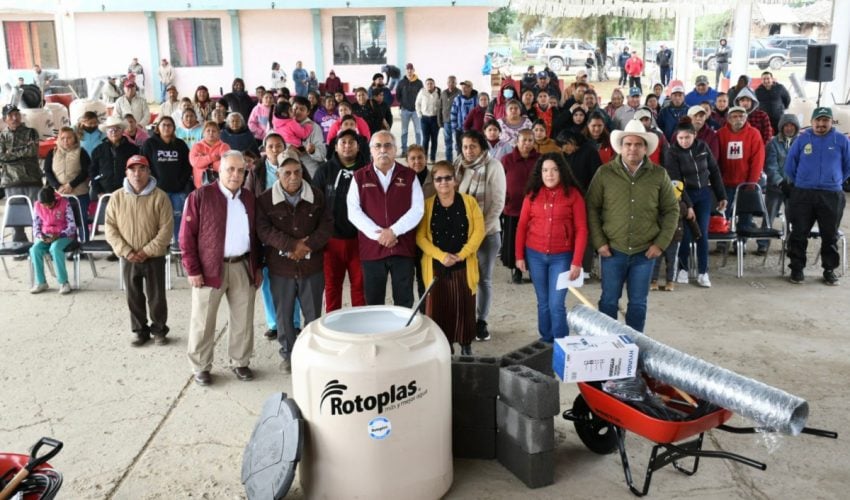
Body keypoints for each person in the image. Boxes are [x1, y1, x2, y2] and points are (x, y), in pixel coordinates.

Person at [586, 119, 679, 332]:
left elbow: (672, 210)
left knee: (638, 303)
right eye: (628, 144)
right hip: (612, 250)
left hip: (644, 252)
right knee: (608, 301)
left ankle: (633, 349)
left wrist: (660, 244)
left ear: (645, 148)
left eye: (638, 144)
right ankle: (607, 344)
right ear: (621, 146)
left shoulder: (658, 175)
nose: (633, 148)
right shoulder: (605, 173)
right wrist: (599, 242)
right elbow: (591, 208)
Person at [182, 151, 261, 386]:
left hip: (242, 265)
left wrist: (258, 266)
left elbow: (257, 236)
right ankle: (201, 366)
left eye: (240, 170)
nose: (235, 174)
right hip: (208, 269)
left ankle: (240, 361)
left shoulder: (249, 198)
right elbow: (186, 237)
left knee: (242, 319)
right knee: (203, 321)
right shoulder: (200, 196)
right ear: (219, 170)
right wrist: (192, 269)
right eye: (230, 169)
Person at [257, 155, 332, 373]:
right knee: (284, 314)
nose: (293, 177)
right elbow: (264, 230)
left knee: (312, 314)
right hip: (281, 268)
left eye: (297, 172)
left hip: (312, 268)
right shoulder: (265, 199)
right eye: (287, 173)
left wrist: (306, 247)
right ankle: (288, 355)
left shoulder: (316, 196)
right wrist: (292, 246)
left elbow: (326, 226)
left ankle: (312, 354)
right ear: (278, 175)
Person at [346, 131, 424, 307]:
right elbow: (353, 211)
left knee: (404, 299)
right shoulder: (359, 177)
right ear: (371, 150)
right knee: (373, 300)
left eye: (388, 145)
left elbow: (418, 209)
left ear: (395, 150)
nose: (383, 150)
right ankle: (375, 335)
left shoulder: (409, 175)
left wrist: (394, 231)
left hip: (402, 247)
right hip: (372, 249)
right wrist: (380, 235)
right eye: (378, 146)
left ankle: (402, 334)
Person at [516, 153, 587, 341]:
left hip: (562, 258)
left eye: (554, 170)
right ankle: (546, 340)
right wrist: (519, 256)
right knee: (543, 303)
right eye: (545, 170)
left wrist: (577, 261)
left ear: (562, 172)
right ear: (539, 173)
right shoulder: (532, 195)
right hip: (535, 255)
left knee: (556, 304)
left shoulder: (573, 195)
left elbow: (581, 229)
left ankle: (561, 344)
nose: (549, 174)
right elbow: (522, 225)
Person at [416, 161, 485, 355]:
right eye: (439, 179)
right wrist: (441, 256)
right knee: (438, 309)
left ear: (455, 180)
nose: (443, 182)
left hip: (463, 266)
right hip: (437, 267)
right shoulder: (427, 205)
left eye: (448, 178)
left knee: (464, 308)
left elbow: (479, 232)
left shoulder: (469, 202)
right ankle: (443, 349)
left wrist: (461, 255)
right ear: (434, 182)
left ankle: (465, 346)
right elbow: (420, 237)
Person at [105, 155, 173, 346]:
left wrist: (147, 251)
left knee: (157, 296)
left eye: (141, 169)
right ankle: (139, 330)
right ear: (126, 173)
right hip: (129, 257)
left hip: (153, 256)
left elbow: (166, 229)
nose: (137, 174)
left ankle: (159, 330)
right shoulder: (117, 197)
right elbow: (110, 228)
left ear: (148, 172)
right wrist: (126, 251)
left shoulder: (160, 197)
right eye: (132, 169)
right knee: (133, 295)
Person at [785, 107, 850, 285]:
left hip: (831, 194)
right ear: (812, 122)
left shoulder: (841, 140)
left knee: (830, 235)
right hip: (803, 193)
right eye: (818, 121)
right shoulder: (802, 140)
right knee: (799, 233)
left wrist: (833, 180)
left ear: (831, 122)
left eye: (825, 121)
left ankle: (829, 270)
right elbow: (790, 165)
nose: (821, 124)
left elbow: (847, 167)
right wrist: (803, 180)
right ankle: (797, 269)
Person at [454, 130, 506, 341]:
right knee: (463, 279)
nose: (468, 151)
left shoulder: (494, 167)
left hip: (487, 234)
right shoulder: (458, 165)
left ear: (482, 147)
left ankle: (481, 321)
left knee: (483, 279)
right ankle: (464, 318)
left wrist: (478, 233)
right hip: (461, 235)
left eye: (473, 146)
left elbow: (497, 204)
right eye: (465, 146)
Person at [665, 118, 727, 288]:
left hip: (704, 194)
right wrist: (688, 205)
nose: (684, 141)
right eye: (680, 138)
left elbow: (714, 171)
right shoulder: (672, 153)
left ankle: (703, 272)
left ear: (695, 135)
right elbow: (675, 181)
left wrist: (722, 196)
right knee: (685, 234)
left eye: (687, 137)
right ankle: (683, 269)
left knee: (702, 234)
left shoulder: (703, 147)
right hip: (684, 195)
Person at [312, 129, 368, 312]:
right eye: (342, 142)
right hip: (331, 241)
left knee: (361, 288)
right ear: (335, 147)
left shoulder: (368, 169)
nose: (347, 146)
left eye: (351, 142)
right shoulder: (324, 171)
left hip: (360, 241)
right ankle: (333, 330)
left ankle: (361, 332)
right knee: (331, 288)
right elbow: (314, 205)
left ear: (358, 146)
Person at [716, 105, 766, 254]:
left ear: (746, 118)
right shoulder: (720, 134)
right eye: (734, 116)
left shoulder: (754, 134)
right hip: (725, 183)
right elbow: (716, 160)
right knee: (724, 214)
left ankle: (741, 243)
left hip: (745, 184)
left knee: (745, 215)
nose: (738, 119)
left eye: (741, 116)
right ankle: (723, 241)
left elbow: (758, 160)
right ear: (729, 119)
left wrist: (751, 182)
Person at [142, 116, 192, 245]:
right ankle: (158, 246)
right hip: (156, 190)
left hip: (177, 190)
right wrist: (153, 183)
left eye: (169, 125)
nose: (166, 127)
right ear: (158, 128)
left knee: (178, 218)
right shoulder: (149, 144)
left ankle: (178, 245)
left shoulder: (180, 144)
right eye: (163, 125)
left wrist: (181, 182)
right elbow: (144, 165)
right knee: (157, 220)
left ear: (174, 128)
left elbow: (187, 166)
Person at [500, 129, 540, 283]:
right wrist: (505, 200)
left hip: (535, 209)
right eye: (524, 140)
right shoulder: (507, 159)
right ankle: (516, 270)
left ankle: (533, 270)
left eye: (530, 140)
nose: (527, 144)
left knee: (533, 241)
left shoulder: (539, 159)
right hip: (513, 208)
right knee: (513, 241)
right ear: (517, 141)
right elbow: (500, 181)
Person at [763, 113, 800, 254]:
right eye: (786, 125)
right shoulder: (773, 143)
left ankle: (790, 243)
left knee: (793, 217)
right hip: (775, 187)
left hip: (795, 188)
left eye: (792, 125)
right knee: (769, 215)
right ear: (781, 127)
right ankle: (763, 243)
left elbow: (803, 165)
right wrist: (780, 182)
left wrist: (795, 183)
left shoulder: (801, 142)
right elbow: (770, 166)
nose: (789, 128)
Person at [29, 186, 76, 295]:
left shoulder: (64, 203)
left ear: (54, 200)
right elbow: (36, 225)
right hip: (47, 235)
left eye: (49, 204)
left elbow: (72, 226)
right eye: (44, 205)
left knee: (55, 248)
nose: (47, 207)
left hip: (64, 235)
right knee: (35, 250)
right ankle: (41, 282)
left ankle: (64, 282)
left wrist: (59, 235)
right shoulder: (37, 205)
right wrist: (40, 236)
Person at [44, 127, 91, 220]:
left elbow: (86, 171)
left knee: (81, 221)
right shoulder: (52, 153)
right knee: (62, 223)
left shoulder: (81, 152)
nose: (66, 141)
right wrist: (57, 186)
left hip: (79, 193)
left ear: (74, 138)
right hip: (59, 195)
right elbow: (48, 171)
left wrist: (71, 185)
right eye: (62, 138)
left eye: (69, 138)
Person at [90, 116, 140, 199]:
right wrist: (98, 191)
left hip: (128, 192)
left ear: (122, 131)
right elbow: (93, 172)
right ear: (106, 132)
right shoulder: (98, 150)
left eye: (117, 129)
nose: (114, 132)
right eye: (110, 129)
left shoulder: (133, 149)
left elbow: (137, 170)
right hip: (105, 193)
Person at [290, 96, 327, 177]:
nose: (298, 111)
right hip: (288, 169)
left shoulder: (314, 127)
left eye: (302, 109)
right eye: (295, 108)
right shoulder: (284, 124)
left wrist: (313, 151)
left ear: (308, 112)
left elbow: (321, 155)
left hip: (308, 169)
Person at [189, 121, 231, 188]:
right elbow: (195, 162)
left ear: (218, 133)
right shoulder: (197, 146)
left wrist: (204, 161)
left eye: (214, 131)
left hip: (220, 185)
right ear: (203, 133)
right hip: (200, 186)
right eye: (208, 131)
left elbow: (226, 164)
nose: (211, 133)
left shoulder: (224, 146)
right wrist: (212, 158)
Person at [397, 63, 424, 155]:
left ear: (413, 70)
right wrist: (403, 104)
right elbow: (398, 96)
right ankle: (404, 150)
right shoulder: (401, 83)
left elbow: (422, 96)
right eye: (408, 69)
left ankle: (419, 149)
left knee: (418, 130)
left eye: (411, 69)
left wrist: (419, 108)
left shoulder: (419, 83)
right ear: (406, 70)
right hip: (405, 111)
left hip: (416, 111)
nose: (409, 71)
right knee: (404, 131)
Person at [415, 78, 440, 163]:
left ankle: (432, 158)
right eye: (428, 84)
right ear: (425, 85)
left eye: (431, 83)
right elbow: (417, 103)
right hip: (424, 119)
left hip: (435, 119)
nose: (429, 85)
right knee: (425, 139)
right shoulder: (422, 92)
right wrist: (419, 115)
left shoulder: (438, 92)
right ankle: (424, 158)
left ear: (434, 84)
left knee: (434, 139)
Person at [439, 76, 461, 162]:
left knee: (458, 144)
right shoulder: (443, 93)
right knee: (448, 143)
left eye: (453, 82)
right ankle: (449, 162)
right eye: (449, 82)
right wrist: (440, 121)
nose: (451, 84)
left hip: (456, 122)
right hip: (446, 122)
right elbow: (440, 107)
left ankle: (459, 162)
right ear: (447, 83)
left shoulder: (459, 93)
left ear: (456, 83)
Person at [451, 80, 478, 152]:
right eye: (462, 87)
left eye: (465, 87)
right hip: (460, 130)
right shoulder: (457, 99)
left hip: (473, 131)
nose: (463, 89)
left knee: (473, 150)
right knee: (460, 151)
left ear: (471, 88)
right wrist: (454, 129)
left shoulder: (477, 99)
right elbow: (453, 114)